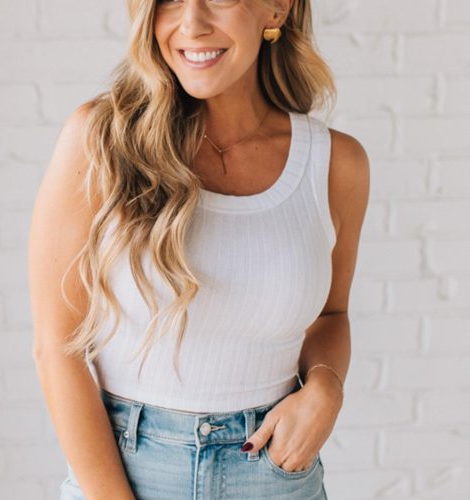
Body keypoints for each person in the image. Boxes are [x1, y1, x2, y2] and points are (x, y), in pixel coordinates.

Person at [28, 0, 369, 498]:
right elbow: (57, 346)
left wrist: (326, 386)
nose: (191, 23)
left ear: (276, 9)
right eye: (169, 1)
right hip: (126, 471)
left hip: (274, 473)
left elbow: (331, 314)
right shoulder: (100, 139)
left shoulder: (336, 164)